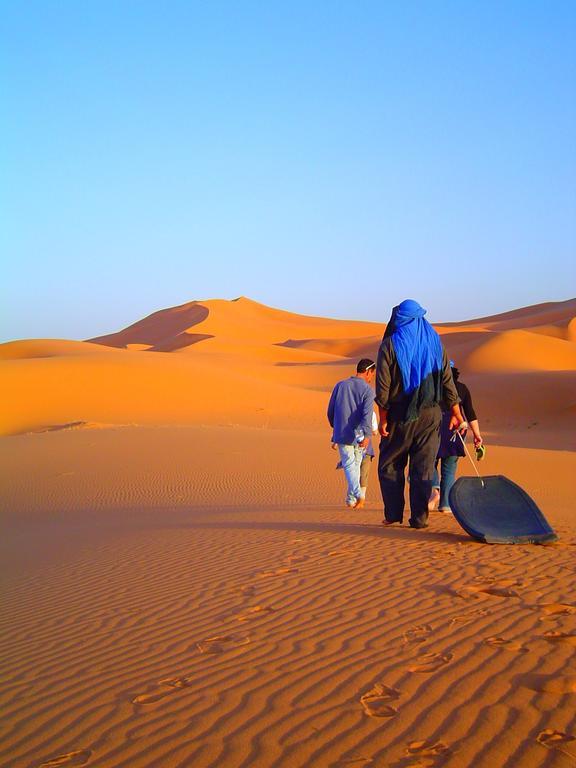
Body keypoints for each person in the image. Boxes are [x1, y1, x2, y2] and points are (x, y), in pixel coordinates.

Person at [375, 299, 464, 529]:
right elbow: (447, 379)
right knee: (423, 467)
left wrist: (383, 419)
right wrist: (456, 411)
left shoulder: (390, 345)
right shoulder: (434, 342)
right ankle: (420, 518)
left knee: (391, 464)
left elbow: (382, 387)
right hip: (431, 415)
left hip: (399, 415)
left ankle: (394, 515)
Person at [429, 362, 483, 513]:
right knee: (449, 469)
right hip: (456, 432)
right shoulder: (462, 388)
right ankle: (445, 505)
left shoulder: (432, 387)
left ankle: (434, 489)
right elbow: (470, 413)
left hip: (435, 429)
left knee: (429, 461)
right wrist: (477, 435)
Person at [327, 359, 376, 509]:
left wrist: (335, 427)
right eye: (372, 374)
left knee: (351, 464)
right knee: (352, 464)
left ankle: (352, 497)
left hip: (343, 432)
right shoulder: (368, 390)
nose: (372, 378)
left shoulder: (340, 385)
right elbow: (367, 414)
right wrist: (367, 435)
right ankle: (357, 494)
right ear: (368, 372)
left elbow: (330, 411)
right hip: (360, 434)